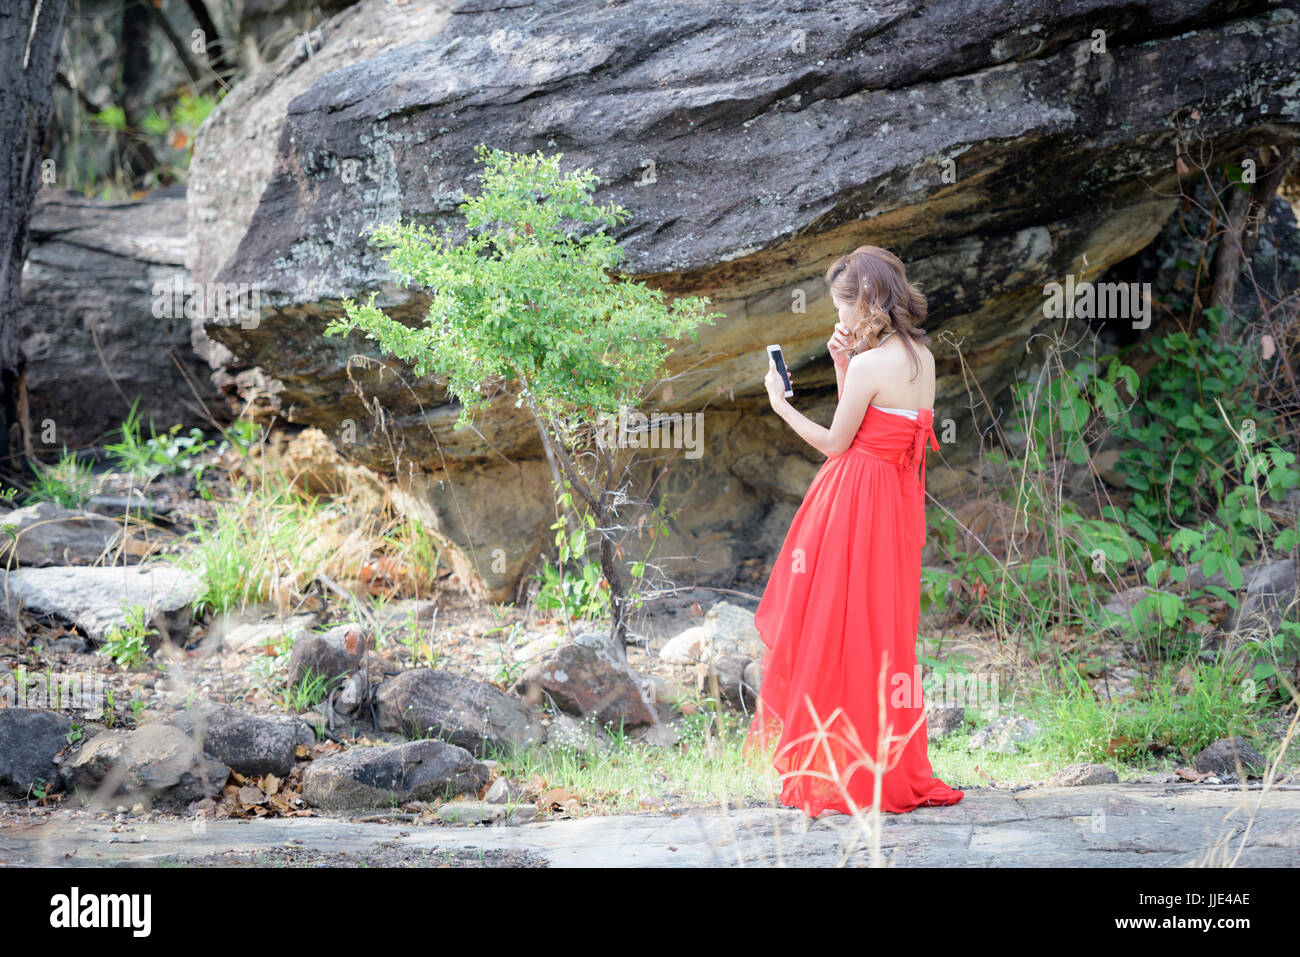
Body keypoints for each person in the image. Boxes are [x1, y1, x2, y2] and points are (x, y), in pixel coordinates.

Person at [742, 244, 964, 817]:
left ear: (865, 302)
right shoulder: (922, 357)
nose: (837, 319)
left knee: (832, 625)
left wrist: (780, 405)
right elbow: (877, 426)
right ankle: (881, 764)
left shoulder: (870, 364)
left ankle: (833, 765)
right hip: (892, 505)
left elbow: (841, 442)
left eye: (841, 307)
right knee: (878, 632)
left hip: (850, 501)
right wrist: (844, 366)